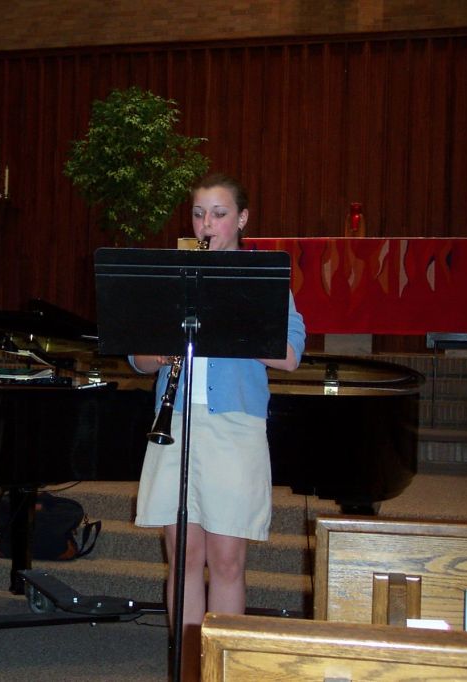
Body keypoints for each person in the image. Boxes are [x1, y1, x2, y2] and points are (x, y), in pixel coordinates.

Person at [129, 173, 306, 678]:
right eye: (200, 214)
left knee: (227, 561)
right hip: (176, 421)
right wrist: (160, 349)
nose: (208, 224)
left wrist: (231, 324)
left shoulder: (261, 276)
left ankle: (222, 672)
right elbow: (138, 358)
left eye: (220, 213)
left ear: (243, 219)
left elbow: (291, 354)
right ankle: (187, 670)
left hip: (234, 426)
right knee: (183, 560)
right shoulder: (175, 273)